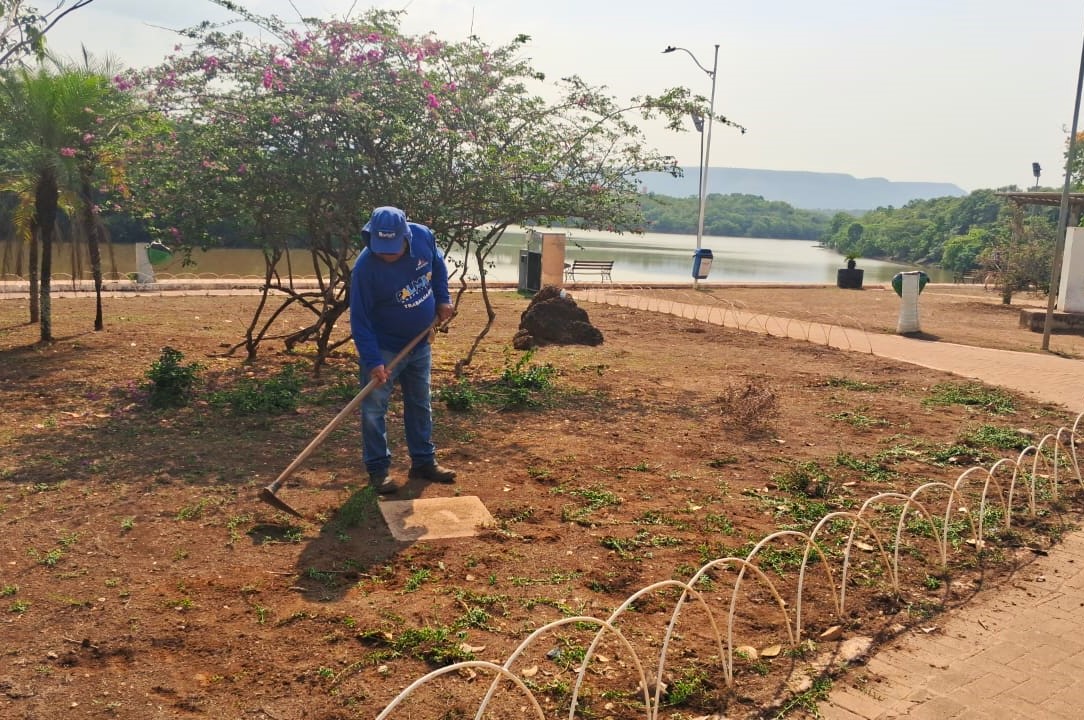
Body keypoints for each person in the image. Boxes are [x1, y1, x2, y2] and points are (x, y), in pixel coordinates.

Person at [349, 206, 456, 494]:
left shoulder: (423, 236)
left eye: (392, 248)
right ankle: (378, 470)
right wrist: (373, 361)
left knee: (420, 403)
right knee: (374, 410)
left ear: (406, 235)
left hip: (420, 343)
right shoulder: (365, 268)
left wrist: (443, 299)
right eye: (381, 248)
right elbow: (359, 320)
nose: (386, 254)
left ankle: (423, 461)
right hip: (384, 347)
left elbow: (437, 264)